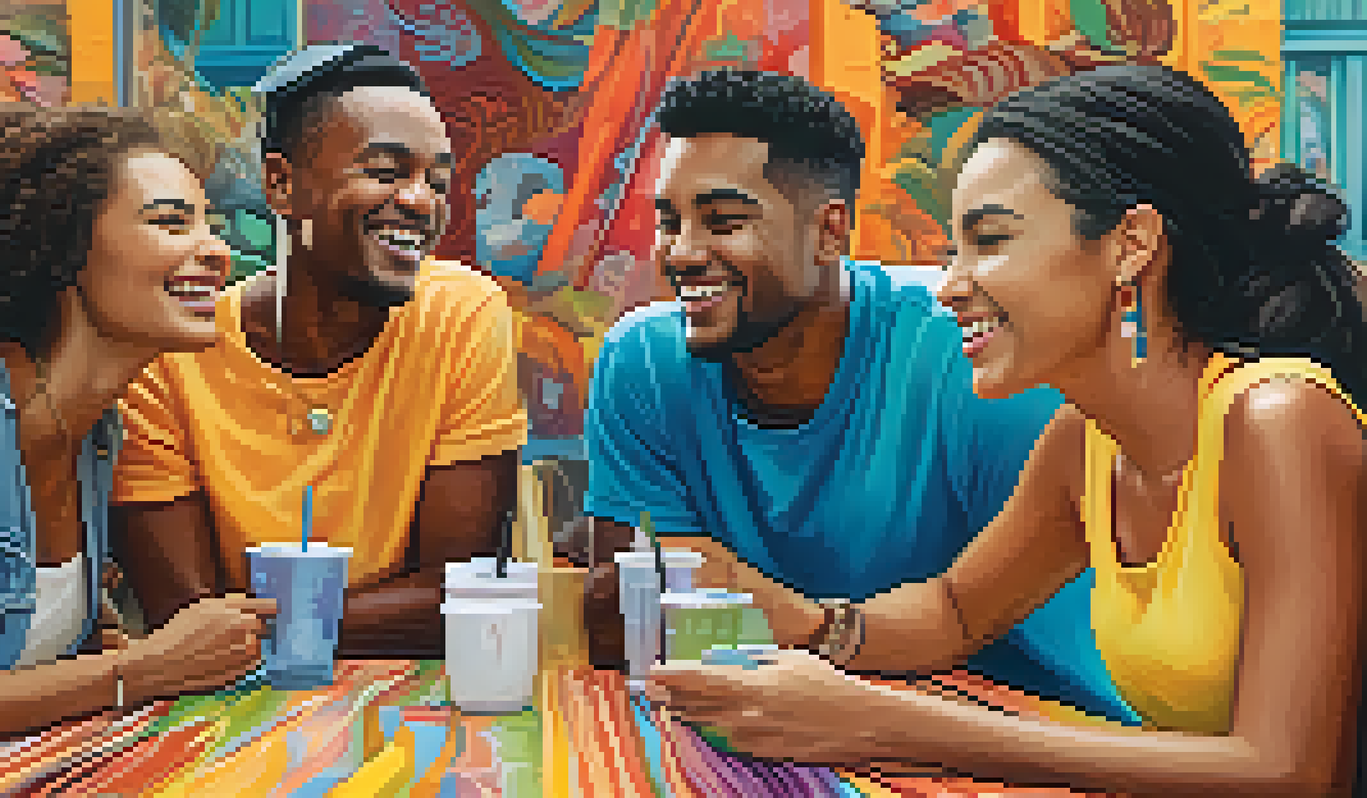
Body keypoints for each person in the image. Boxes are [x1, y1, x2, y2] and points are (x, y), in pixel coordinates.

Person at [647, 63, 1367, 796]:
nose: (952, 284)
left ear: (1132, 244)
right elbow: (957, 610)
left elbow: (1293, 773)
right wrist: (802, 622)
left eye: (990, 240)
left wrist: (886, 725)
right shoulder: (1086, 442)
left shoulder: (1281, 423)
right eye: (953, 249)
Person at [582, 68, 1139, 725]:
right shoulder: (641, 362)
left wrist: (780, 616)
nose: (681, 253)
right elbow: (620, 617)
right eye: (668, 222)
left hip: (1016, 727)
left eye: (723, 222)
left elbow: (1028, 638)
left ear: (828, 231)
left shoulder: (979, 360)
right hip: (781, 723)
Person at [0, 105, 277, 773]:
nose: (216, 250)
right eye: (169, 221)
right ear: (67, 251)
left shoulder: (96, 433)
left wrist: (109, 654)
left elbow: (30, 667)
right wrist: (142, 670)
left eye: (209, 224)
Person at [111, 45, 527, 659]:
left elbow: (458, 593)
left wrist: (260, 624)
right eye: (385, 172)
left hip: (414, 705)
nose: (420, 201)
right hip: (227, 711)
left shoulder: (460, 313)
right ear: (280, 183)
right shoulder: (173, 354)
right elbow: (186, 621)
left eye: (437, 181)